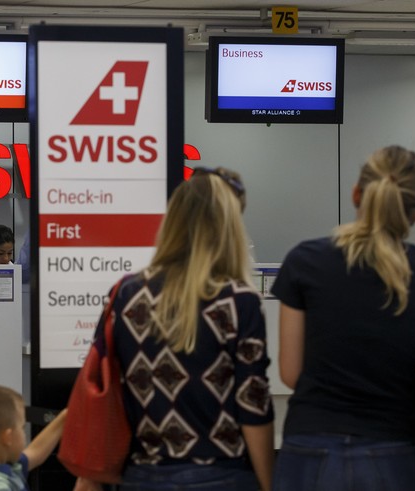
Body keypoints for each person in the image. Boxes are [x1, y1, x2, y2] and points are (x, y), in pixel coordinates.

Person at [75, 167, 274, 491]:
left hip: (143, 475)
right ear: (229, 228)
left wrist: (88, 478)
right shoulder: (239, 301)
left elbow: (106, 385)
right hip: (222, 474)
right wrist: (269, 484)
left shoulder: (127, 294)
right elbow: (253, 402)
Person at [271, 145, 415, 491]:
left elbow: (290, 372)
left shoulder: (304, 260)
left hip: (308, 450)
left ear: (357, 194)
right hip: (392, 451)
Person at [0, 383, 68, 491]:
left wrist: (65, 417)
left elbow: (36, 451)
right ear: (7, 437)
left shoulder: (8, 466)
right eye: (22, 427)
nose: (24, 433)